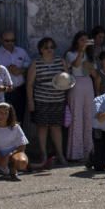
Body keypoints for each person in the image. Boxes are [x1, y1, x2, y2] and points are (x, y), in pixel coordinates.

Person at [27, 37, 67, 168]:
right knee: (42, 128)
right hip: (41, 100)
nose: (50, 50)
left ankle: (60, 154)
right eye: (46, 47)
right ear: (41, 50)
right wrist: (31, 102)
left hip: (58, 100)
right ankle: (43, 155)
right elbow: (30, 85)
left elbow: (68, 79)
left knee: (56, 127)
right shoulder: (36, 63)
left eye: (51, 47)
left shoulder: (60, 61)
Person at [64, 31, 98, 164]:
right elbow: (76, 65)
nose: (84, 42)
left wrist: (90, 67)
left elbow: (94, 73)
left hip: (88, 83)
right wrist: (81, 51)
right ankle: (75, 152)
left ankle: (88, 151)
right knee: (76, 117)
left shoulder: (90, 55)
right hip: (76, 83)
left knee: (88, 117)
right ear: (77, 41)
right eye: (81, 40)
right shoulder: (70, 54)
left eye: (86, 40)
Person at [0, 30, 30, 123]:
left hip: (20, 90)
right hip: (4, 92)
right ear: (1, 40)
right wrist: (6, 69)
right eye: (7, 40)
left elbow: (30, 66)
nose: (10, 43)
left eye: (12, 40)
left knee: (19, 118)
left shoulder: (21, 52)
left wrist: (21, 70)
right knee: (4, 119)